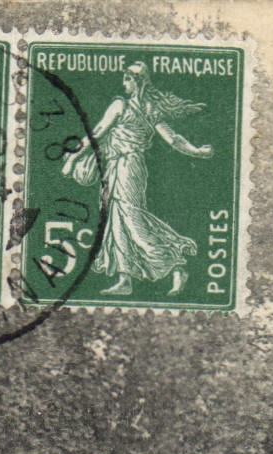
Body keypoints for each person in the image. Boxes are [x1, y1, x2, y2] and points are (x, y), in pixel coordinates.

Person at [65, 62, 214, 296]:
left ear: (138, 82)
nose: (124, 83)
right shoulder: (144, 108)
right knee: (116, 221)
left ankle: (175, 265)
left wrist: (73, 158)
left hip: (129, 167)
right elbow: (172, 139)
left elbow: (99, 132)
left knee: (132, 220)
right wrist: (196, 151)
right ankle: (125, 279)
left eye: (127, 79)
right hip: (115, 166)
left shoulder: (127, 106)